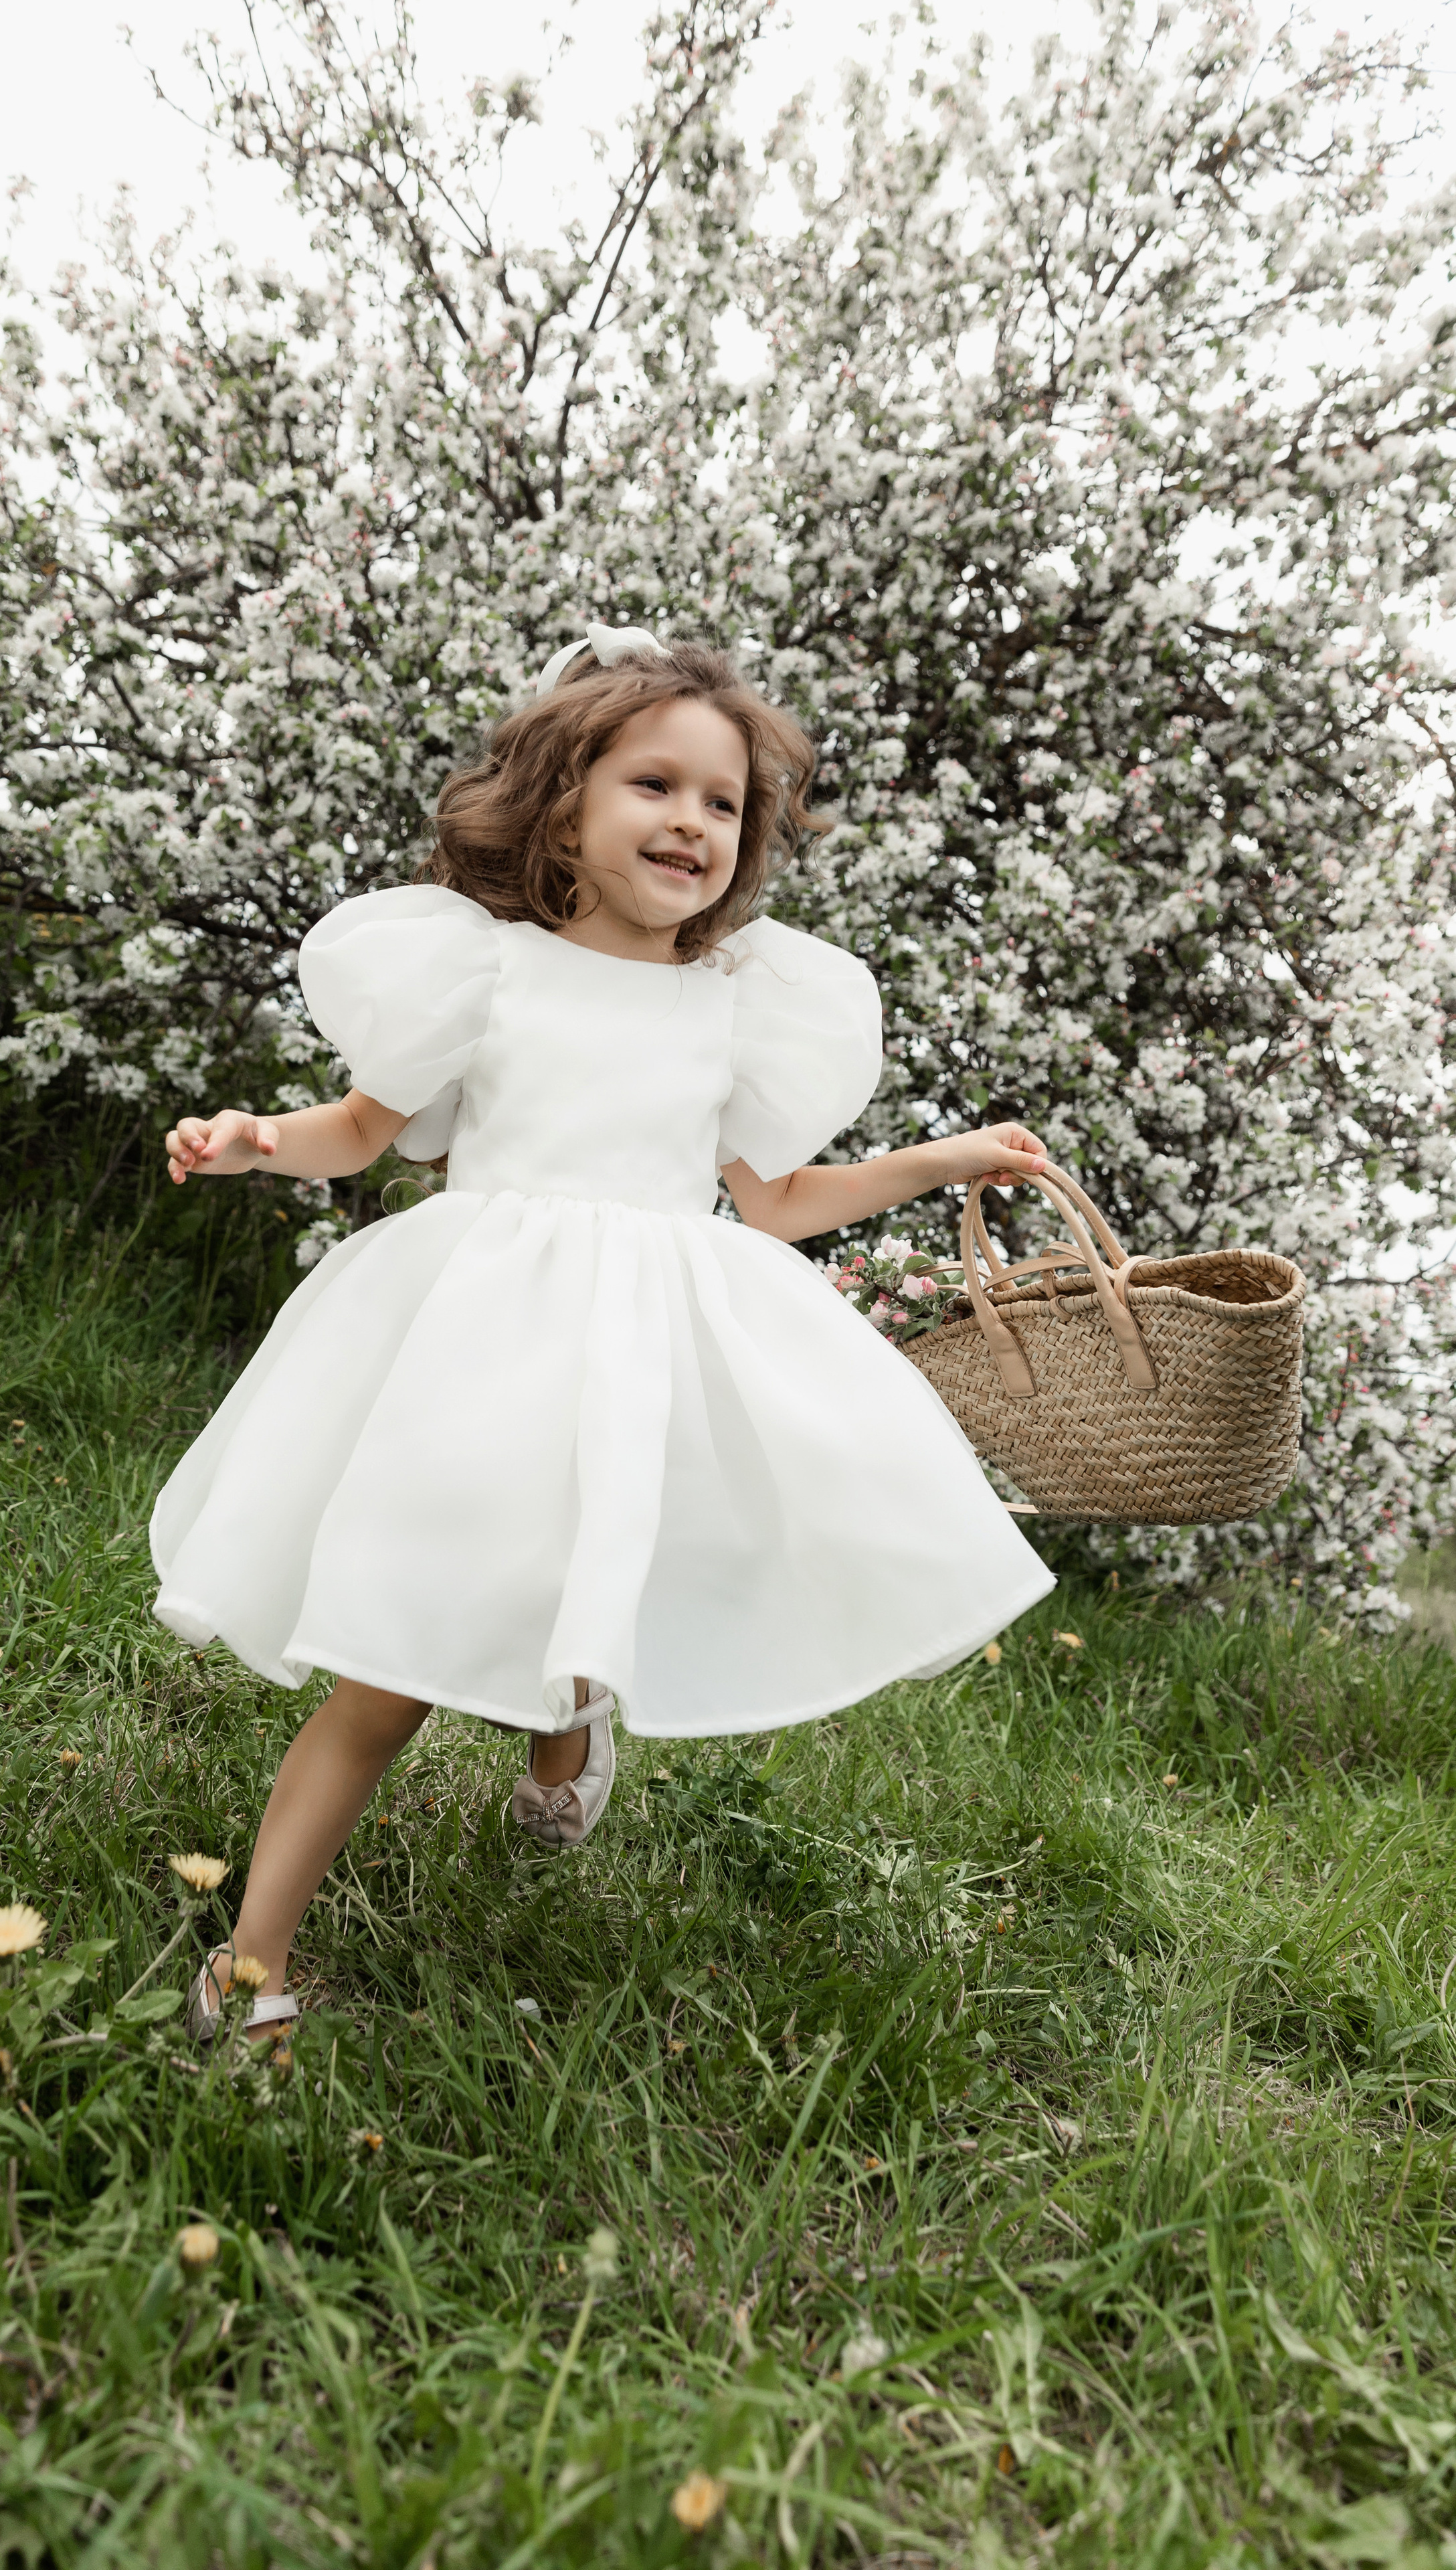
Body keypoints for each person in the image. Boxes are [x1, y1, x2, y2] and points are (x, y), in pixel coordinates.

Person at [153, 626, 1055, 2043]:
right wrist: (254, 1138)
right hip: (478, 1350)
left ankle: (565, 1729)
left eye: (722, 802)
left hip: (641, 1352)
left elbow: (778, 1204)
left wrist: (941, 1161)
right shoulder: (484, 973)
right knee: (388, 1670)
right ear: (563, 807)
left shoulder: (731, 1009)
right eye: (655, 785)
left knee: (592, 1570)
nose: (692, 820)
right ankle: (251, 1969)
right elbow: (363, 1131)